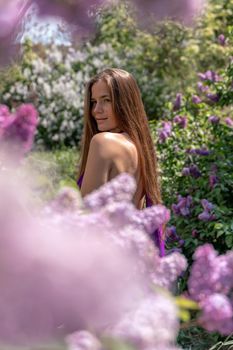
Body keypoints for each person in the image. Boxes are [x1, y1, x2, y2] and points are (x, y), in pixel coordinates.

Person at [77, 68, 164, 255]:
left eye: (106, 100)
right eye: (94, 102)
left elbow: (84, 219)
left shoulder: (103, 142)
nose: (95, 110)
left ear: (125, 103)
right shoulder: (141, 150)